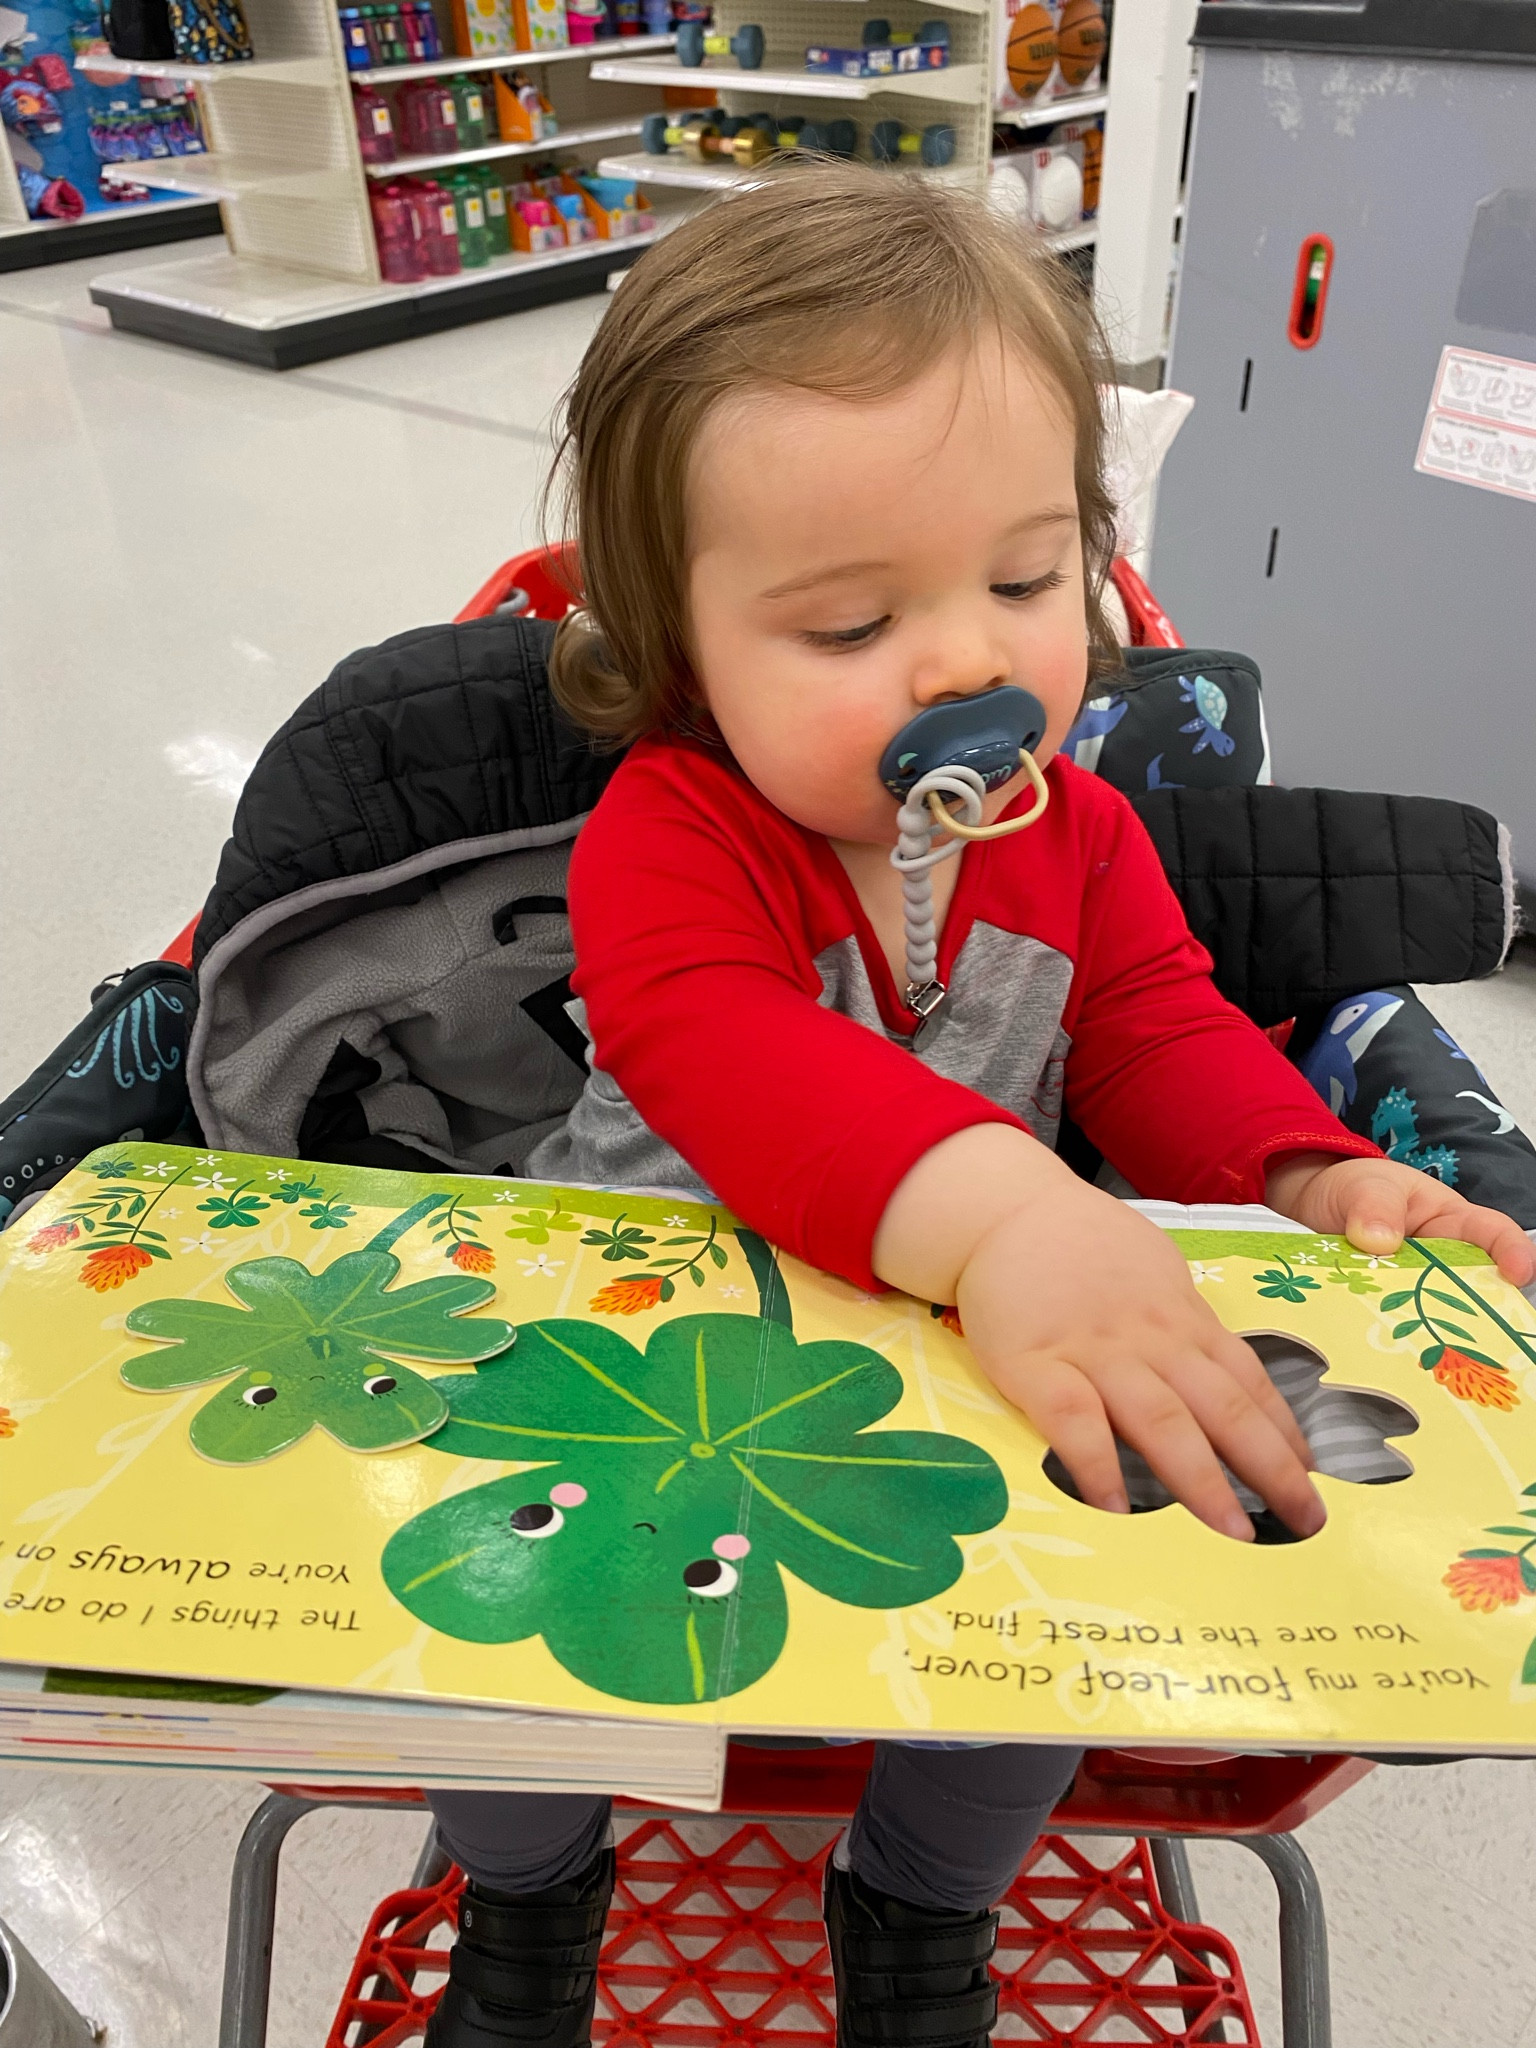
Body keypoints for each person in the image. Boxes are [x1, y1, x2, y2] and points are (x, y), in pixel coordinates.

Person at [423, 165, 1536, 2048]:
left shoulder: (1080, 836)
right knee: (503, 1626)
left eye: (1025, 582)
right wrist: (1020, 1213)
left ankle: (919, 1904)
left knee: (1075, 1594)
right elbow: (733, 1062)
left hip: (958, 1353)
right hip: (641, 1339)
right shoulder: (671, 836)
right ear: (678, 651)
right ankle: (529, 1900)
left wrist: (1309, 1170)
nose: (965, 662)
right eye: (849, 629)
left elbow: (1157, 1031)